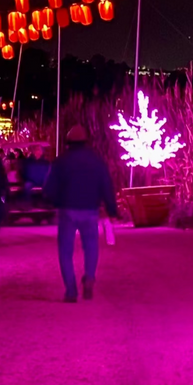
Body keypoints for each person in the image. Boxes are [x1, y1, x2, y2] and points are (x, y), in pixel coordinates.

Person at [43, 124, 119, 302]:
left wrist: (53, 202)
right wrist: (111, 209)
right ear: (85, 141)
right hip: (90, 209)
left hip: (67, 209)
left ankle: (71, 291)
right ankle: (90, 277)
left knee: (65, 251)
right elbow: (106, 185)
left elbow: (49, 188)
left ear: (68, 142)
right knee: (91, 246)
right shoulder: (97, 161)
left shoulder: (61, 161)